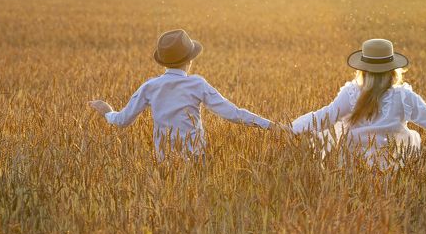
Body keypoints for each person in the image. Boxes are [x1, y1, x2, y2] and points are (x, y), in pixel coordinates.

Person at [291, 38, 426, 168]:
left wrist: (291, 129)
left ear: (362, 70)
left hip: (351, 163)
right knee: (412, 139)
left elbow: (324, 116)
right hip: (393, 162)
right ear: (393, 71)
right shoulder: (403, 98)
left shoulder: (350, 95)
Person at [89, 29, 286, 160]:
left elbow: (122, 120)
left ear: (163, 61)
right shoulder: (197, 84)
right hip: (196, 163)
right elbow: (233, 113)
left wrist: (107, 111)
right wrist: (271, 126)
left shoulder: (150, 87)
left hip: (164, 166)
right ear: (190, 61)